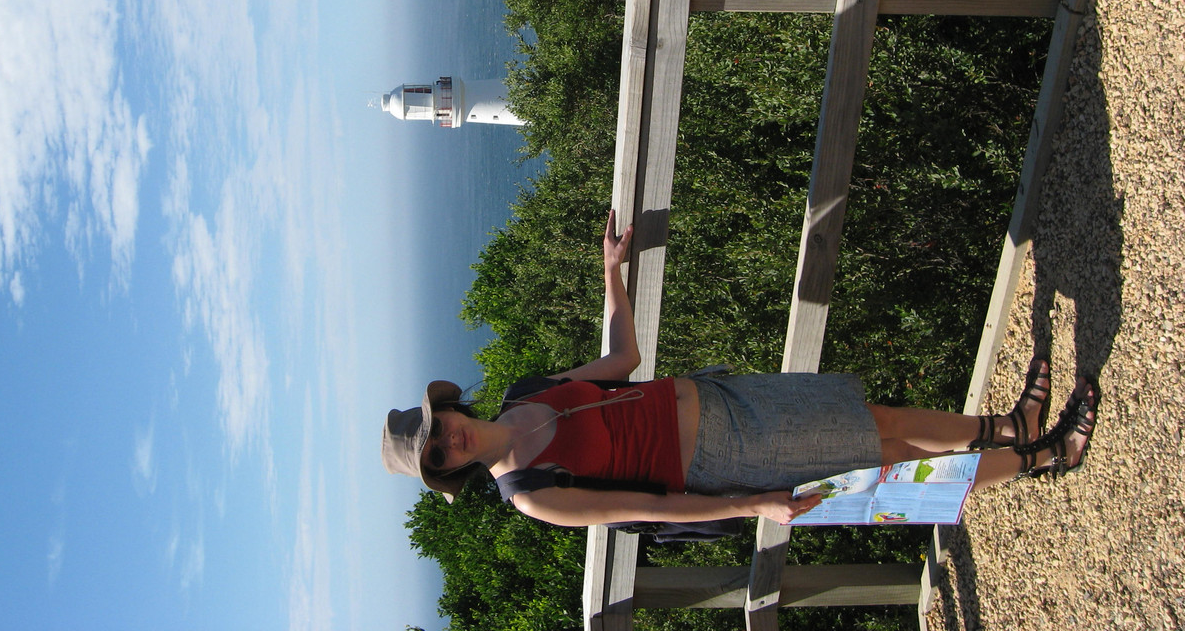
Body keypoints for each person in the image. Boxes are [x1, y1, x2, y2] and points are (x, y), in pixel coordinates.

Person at [383, 211, 1098, 527]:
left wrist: (611, 273)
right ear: (451, 470)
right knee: (885, 461)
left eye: (436, 429)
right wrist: (752, 505)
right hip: (723, 456)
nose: (449, 440)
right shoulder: (531, 495)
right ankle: (1040, 458)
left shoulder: (522, 393)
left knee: (874, 419)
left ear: (447, 411)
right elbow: (653, 509)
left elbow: (622, 361)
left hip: (722, 397)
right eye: (439, 455)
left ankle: (1009, 426)